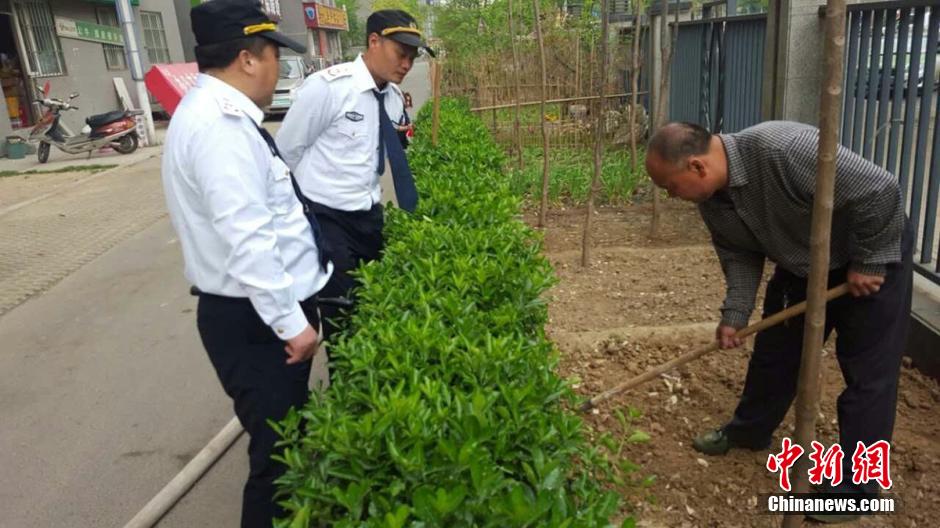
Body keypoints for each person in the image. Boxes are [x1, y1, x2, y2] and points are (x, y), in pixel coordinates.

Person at [645, 121, 912, 505]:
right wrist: (736, 314)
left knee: (868, 373)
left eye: (670, 187)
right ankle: (749, 431)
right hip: (802, 261)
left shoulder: (783, 149)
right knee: (775, 354)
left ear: (697, 167)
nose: (672, 196)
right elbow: (739, 253)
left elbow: (880, 189)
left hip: (868, 254)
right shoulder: (712, 200)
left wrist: (870, 259)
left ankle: (858, 489)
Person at [161, 1, 332, 526]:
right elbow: (249, 239)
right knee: (277, 465)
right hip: (259, 323)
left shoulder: (215, 115)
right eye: (274, 55)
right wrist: (291, 324)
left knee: (284, 448)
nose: (278, 68)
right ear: (248, 59)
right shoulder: (221, 127)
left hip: (257, 315)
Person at [276, 10, 433, 339]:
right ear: (374, 41)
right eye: (400, 53)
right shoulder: (328, 88)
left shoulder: (392, 97)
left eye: (412, 57)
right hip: (326, 216)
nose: (406, 64)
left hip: (369, 214)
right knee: (341, 314)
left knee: (372, 305)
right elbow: (286, 152)